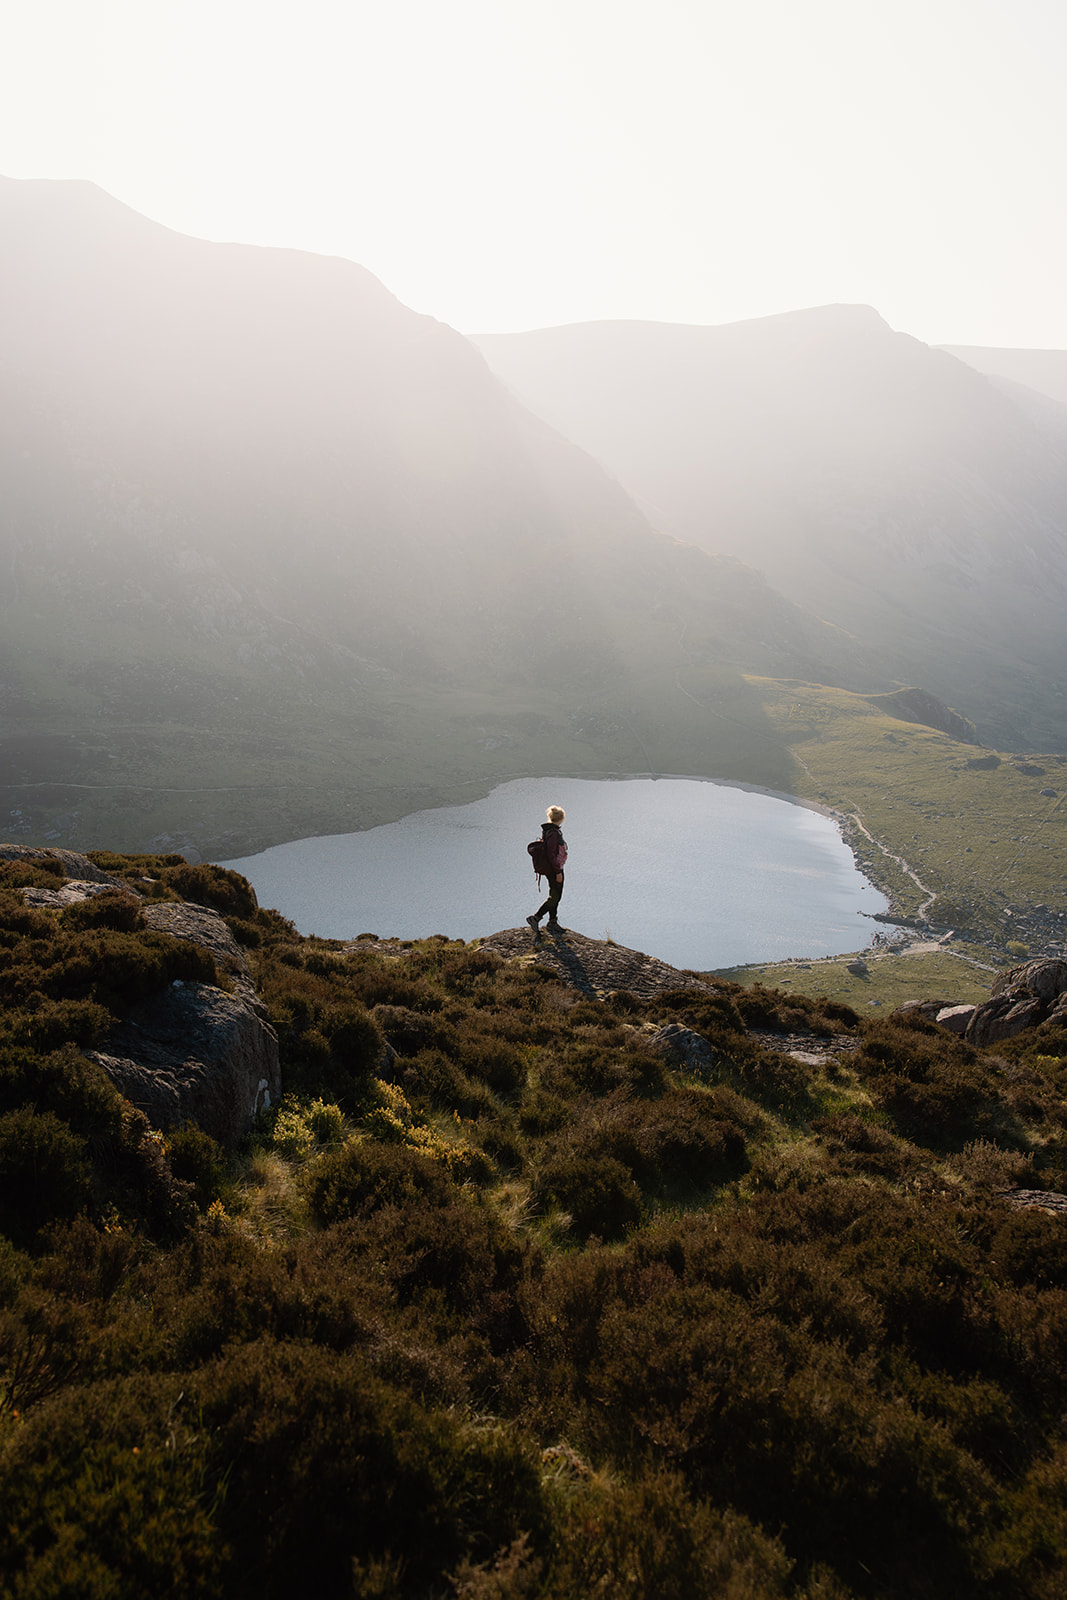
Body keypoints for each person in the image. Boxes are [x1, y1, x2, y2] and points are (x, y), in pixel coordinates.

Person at [527, 805, 568, 936]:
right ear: (561, 818)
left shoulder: (549, 830)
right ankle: (536, 918)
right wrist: (558, 872)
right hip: (554, 869)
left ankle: (552, 922)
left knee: (554, 895)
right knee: (555, 897)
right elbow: (551, 854)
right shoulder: (553, 833)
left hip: (552, 868)